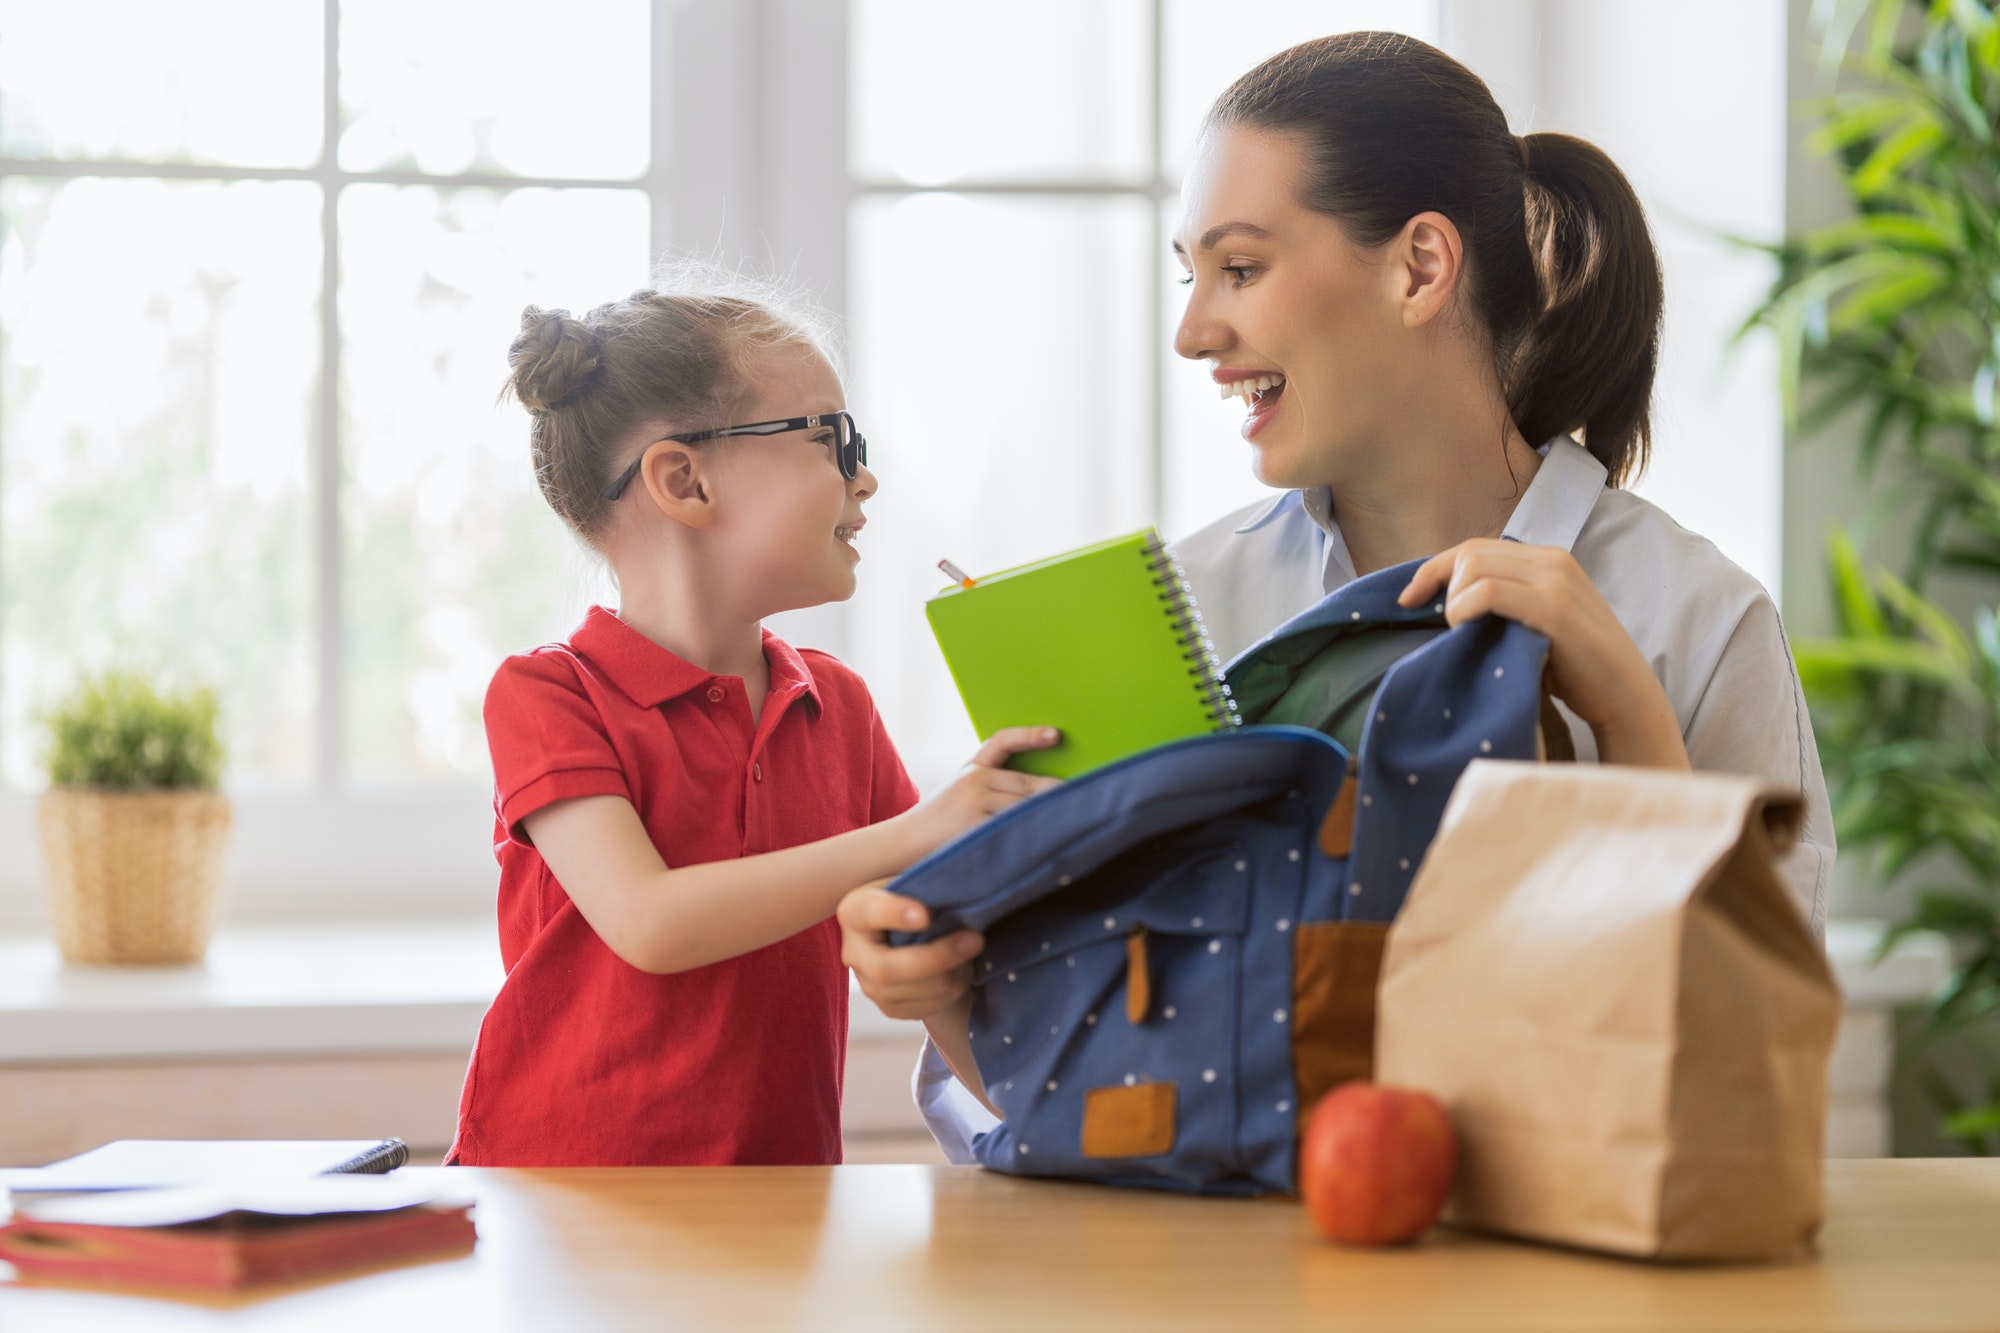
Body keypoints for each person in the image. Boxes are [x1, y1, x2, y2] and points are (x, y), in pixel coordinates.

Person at [837, 31, 1835, 1161]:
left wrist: (1625, 713)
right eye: (1190, 275)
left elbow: (1747, 1065)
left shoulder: (1690, 620)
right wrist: (938, 991)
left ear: (1418, 268)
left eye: (1241, 268)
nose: (1192, 332)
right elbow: (1082, 1095)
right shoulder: (1189, 608)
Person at [447, 277, 1058, 1166]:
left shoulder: (838, 708)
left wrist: (1060, 1123)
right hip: (557, 1215)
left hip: (780, 1212)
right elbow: (653, 921)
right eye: (831, 439)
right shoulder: (550, 696)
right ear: (684, 479)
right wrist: (919, 829)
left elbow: (926, 954)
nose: (866, 476)